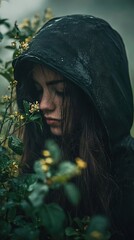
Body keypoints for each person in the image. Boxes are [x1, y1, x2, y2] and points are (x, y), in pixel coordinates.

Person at [13, 14, 134, 239]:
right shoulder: (42, 168)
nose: (43, 105)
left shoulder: (128, 178)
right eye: (39, 91)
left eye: (61, 92)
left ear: (97, 98)